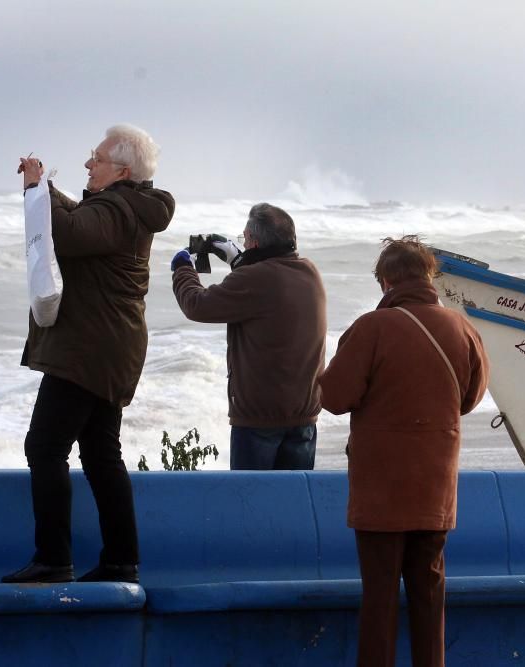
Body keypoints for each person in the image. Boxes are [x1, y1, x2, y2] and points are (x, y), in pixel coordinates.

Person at [2, 124, 174, 584]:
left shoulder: (119, 209)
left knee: (44, 446)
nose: (87, 164)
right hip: (109, 348)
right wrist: (46, 189)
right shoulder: (125, 207)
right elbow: (81, 219)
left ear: (120, 170)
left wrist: (39, 189)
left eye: (95, 158)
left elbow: (73, 233)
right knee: (100, 453)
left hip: (89, 350)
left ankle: (54, 559)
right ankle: (121, 560)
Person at [318, 235, 489, 667]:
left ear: (386, 282)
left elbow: (334, 397)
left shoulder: (372, 328)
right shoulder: (462, 327)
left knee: (379, 599)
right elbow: (469, 398)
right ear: (428, 277)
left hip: (382, 489)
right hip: (435, 484)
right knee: (430, 595)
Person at [170, 203, 326, 470]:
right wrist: (239, 260)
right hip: (304, 416)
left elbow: (197, 305)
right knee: (290, 504)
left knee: (251, 504)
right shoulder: (309, 271)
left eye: (245, 238)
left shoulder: (255, 278)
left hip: (260, 421)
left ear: (253, 242)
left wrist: (183, 269)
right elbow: (264, 292)